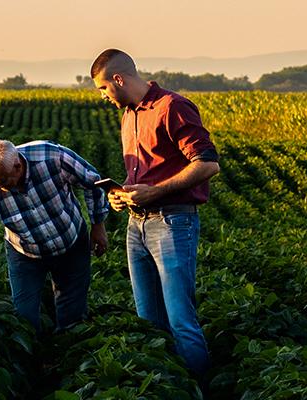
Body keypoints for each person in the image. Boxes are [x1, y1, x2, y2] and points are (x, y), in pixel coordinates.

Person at [90, 48, 221, 376]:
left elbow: (207, 164)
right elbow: (143, 177)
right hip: (137, 226)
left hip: (172, 222)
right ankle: (165, 386)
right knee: (148, 321)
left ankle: (198, 389)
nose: (104, 96)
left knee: (181, 321)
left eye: (104, 88)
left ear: (118, 79)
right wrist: (120, 194)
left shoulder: (172, 107)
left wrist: (156, 191)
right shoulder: (129, 115)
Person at [0, 139, 110, 334]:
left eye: (1, 181)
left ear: (17, 166)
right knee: (24, 316)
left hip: (70, 243)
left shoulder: (52, 157)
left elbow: (93, 182)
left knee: (72, 314)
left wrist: (98, 225)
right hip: (24, 252)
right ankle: (34, 357)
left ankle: (65, 352)